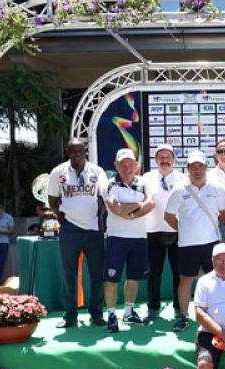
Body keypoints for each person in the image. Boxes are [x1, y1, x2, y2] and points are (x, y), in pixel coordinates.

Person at [164, 150, 225, 333]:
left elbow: (224, 213)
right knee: (185, 280)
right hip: (187, 244)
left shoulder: (217, 189)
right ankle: (184, 316)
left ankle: (215, 316)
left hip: (212, 243)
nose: (197, 170)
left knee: (215, 280)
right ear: (188, 169)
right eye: (194, 166)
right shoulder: (179, 190)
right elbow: (168, 216)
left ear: (206, 167)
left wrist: (210, 227)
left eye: (201, 166)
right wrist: (184, 231)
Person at [47, 138, 109, 328]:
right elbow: (52, 199)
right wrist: (60, 217)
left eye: (79, 151)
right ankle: (70, 316)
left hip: (93, 229)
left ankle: (96, 314)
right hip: (70, 229)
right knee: (69, 274)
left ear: (85, 152)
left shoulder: (97, 171)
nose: (76, 155)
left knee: (97, 274)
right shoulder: (58, 172)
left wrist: (99, 215)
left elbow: (103, 196)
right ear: (67, 152)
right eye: (72, 151)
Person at [102, 148, 155, 333]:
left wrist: (131, 212)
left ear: (136, 165)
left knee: (133, 278)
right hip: (117, 237)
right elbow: (117, 209)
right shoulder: (109, 184)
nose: (126, 168)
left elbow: (151, 204)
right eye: (122, 164)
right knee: (112, 279)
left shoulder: (143, 182)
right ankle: (111, 314)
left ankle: (129, 311)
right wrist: (139, 206)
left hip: (139, 237)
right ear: (116, 165)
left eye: (130, 164)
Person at [142, 144, 188, 323]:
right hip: (152, 231)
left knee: (178, 272)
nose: (164, 160)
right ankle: (153, 308)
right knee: (153, 273)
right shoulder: (146, 178)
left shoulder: (183, 179)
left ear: (174, 160)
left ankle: (178, 308)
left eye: (168, 157)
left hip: (177, 231)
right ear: (155, 160)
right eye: (161, 157)